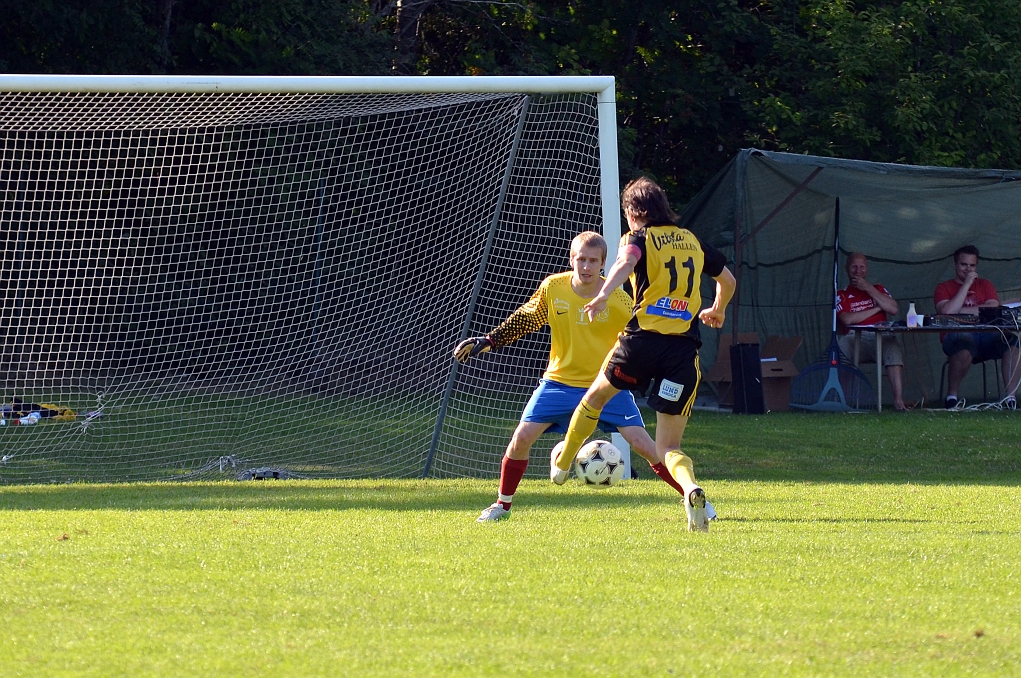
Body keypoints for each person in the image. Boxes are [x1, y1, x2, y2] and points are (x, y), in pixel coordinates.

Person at [454, 231, 713, 522]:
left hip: (607, 386)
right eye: (581, 260)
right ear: (571, 259)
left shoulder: (617, 298)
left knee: (646, 446)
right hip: (558, 383)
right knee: (521, 438)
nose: (586, 267)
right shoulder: (554, 288)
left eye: (593, 261)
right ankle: (502, 505)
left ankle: (694, 498)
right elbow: (527, 318)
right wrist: (489, 340)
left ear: (604, 264)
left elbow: (643, 337)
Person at [549, 177, 736, 533]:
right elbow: (728, 281)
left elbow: (627, 261)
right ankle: (690, 488)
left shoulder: (639, 237)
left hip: (640, 343)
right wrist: (718, 309)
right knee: (669, 445)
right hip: (682, 353)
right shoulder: (694, 242)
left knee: (594, 398)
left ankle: (563, 462)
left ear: (633, 213)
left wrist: (604, 293)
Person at [934, 245, 1020, 409]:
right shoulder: (943, 287)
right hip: (958, 335)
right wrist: (966, 285)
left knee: (1013, 343)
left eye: (972, 265)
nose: (968, 269)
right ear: (955, 265)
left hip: (987, 335)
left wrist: (960, 311)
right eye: (963, 265)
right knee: (964, 345)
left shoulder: (985, 284)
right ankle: (952, 398)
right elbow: (946, 312)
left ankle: (1010, 399)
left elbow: (994, 308)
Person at [835, 253, 907, 411]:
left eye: (862, 267)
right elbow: (847, 319)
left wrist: (867, 287)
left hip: (880, 336)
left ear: (867, 270)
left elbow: (893, 308)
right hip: (854, 338)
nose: (858, 271)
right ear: (847, 269)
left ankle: (898, 401)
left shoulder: (878, 289)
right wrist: (877, 308)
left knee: (893, 348)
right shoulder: (842, 294)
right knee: (842, 346)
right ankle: (844, 402)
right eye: (854, 266)